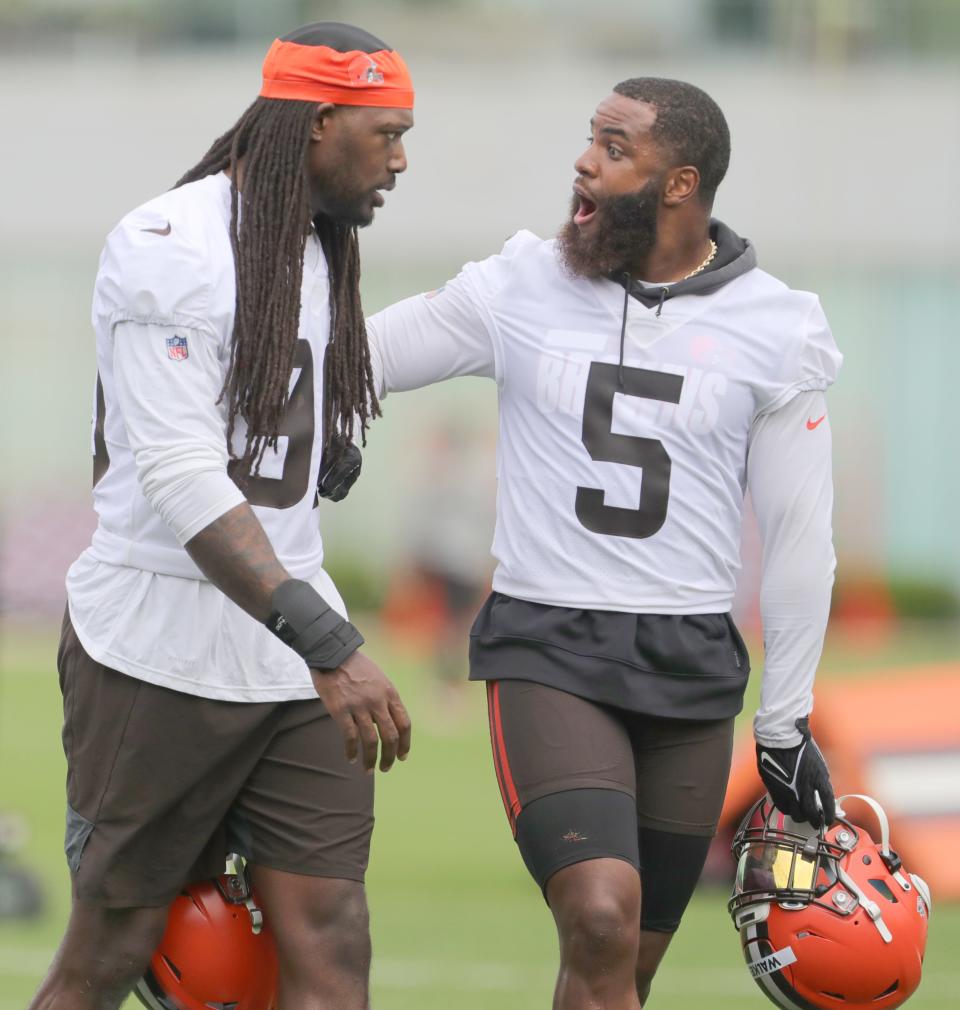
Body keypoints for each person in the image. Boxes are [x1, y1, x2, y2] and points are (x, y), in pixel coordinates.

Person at [367, 77, 840, 1009]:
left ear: (680, 184)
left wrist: (784, 721)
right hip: (551, 642)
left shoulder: (778, 326)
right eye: (591, 138)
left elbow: (799, 537)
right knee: (599, 914)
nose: (584, 161)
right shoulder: (520, 283)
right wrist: (332, 422)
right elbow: (358, 354)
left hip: (690, 661)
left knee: (626, 969)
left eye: (615, 148)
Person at [31, 22, 414, 1010]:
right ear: (319, 122)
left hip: (284, 665)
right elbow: (181, 474)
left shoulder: (317, 245)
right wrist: (330, 641)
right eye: (388, 134)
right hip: (160, 647)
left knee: (333, 936)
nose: (402, 161)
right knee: (113, 944)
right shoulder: (170, 243)